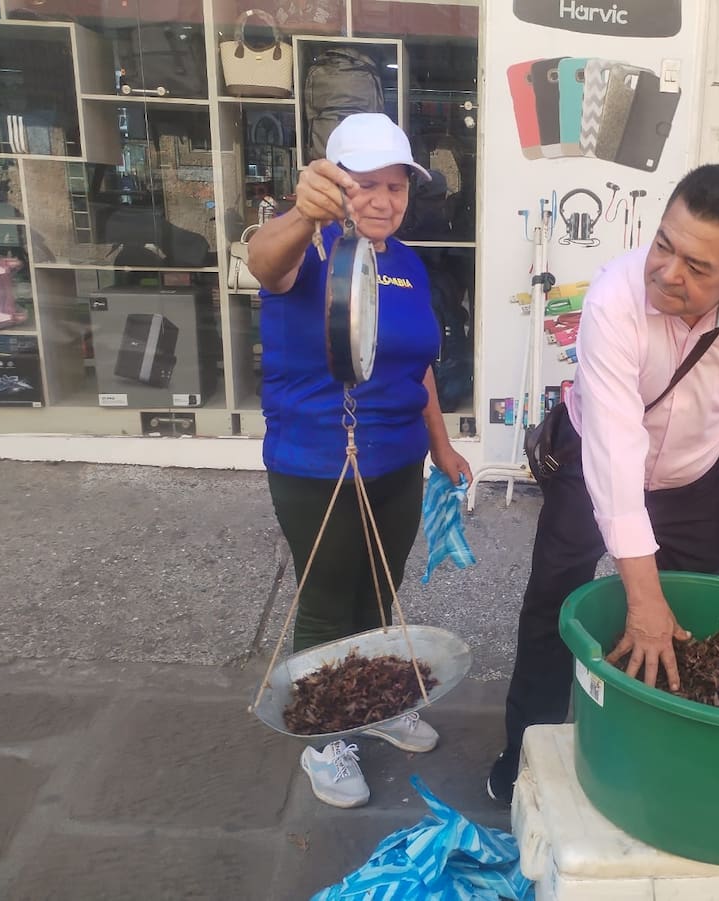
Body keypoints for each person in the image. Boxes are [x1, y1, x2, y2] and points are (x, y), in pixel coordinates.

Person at [486, 164, 719, 804]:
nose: (666, 272)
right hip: (591, 468)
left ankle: (654, 762)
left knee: (684, 622)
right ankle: (525, 756)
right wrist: (641, 597)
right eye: (664, 244)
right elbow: (614, 452)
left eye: (697, 266)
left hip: (694, 480)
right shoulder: (613, 298)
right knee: (553, 607)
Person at [248, 113, 472, 809]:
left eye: (396, 186)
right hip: (316, 461)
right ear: (335, 184)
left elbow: (418, 365)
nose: (383, 199)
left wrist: (441, 445)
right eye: (365, 184)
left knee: (380, 590)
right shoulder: (306, 247)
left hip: (397, 461)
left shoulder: (404, 262)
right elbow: (263, 261)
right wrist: (299, 214)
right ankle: (325, 740)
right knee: (327, 601)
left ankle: (372, 705)